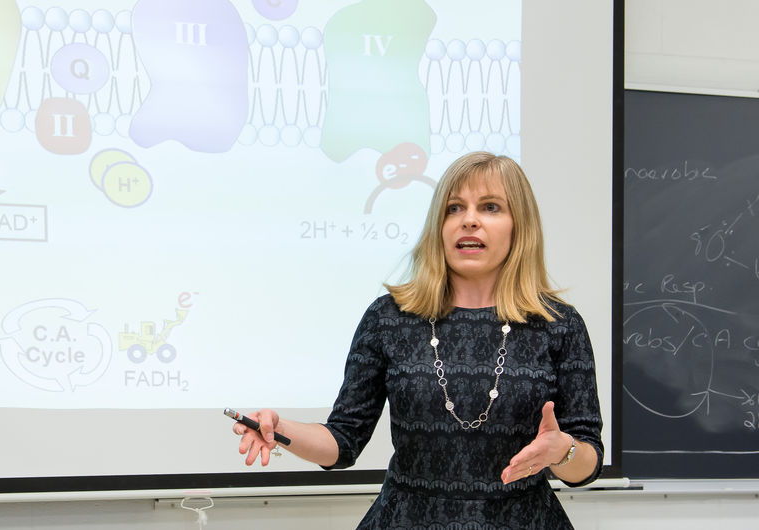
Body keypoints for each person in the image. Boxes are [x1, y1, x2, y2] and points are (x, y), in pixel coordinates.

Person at [232, 151, 603, 528]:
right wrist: (279, 429)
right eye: (454, 208)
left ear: (519, 226)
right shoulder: (388, 318)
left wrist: (563, 450)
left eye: (490, 207)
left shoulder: (559, 325)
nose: (469, 220)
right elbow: (343, 441)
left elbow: (585, 468)